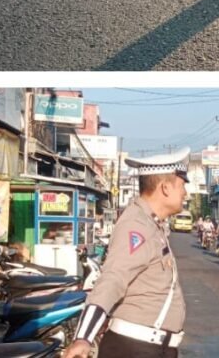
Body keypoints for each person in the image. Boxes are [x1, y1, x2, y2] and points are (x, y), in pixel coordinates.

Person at [65, 147, 190, 358]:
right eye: (181, 186)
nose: (185, 193)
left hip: (149, 348)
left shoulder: (151, 223)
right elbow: (113, 278)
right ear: (165, 188)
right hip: (136, 350)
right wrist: (83, 337)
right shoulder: (136, 226)